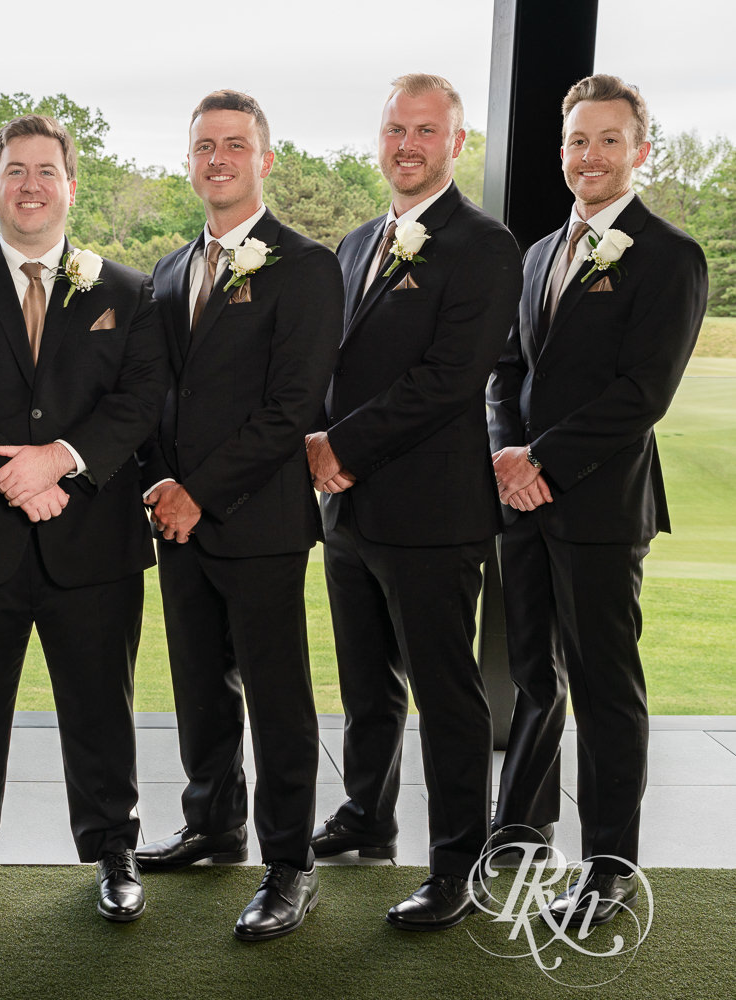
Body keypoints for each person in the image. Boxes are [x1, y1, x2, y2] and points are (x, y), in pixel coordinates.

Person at [0, 114, 166, 923]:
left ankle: (115, 852)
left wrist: (62, 459)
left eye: (46, 171)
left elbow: (139, 400)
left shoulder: (126, 290)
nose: (30, 185)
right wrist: (9, 475)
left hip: (93, 539)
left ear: (70, 186)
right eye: (15, 170)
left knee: (100, 709)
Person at [487, 74, 706, 925]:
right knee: (531, 674)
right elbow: (506, 369)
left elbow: (641, 393)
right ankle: (522, 828)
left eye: (609, 140)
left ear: (640, 151)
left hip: (600, 508)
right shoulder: (540, 252)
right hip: (523, 501)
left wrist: (540, 460)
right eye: (579, 140)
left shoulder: (670, 255)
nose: (591, 155)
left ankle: (610, 865)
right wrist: (509, 457)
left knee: (606, 687)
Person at [306, 73, 521, 929]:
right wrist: (318, 452)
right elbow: (331, 365)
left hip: (432, 514)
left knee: (447, 692)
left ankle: (456, 870)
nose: (407, 144)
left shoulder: (483, 244)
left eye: (426, 130)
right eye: (396, 128)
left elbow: (449, 381)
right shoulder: (358, 243)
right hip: (349, 513)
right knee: (367, 683)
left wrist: (340, 447)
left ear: (456, 143)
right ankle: (367, 812)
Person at [135, 90, 342, 940]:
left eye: (233, 145)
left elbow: (290, 408)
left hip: (256, 521)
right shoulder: (171, 267)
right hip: (178, 524)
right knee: (198, 685)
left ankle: (289, 863)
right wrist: (158, 486)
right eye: (203, 147)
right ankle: (212, 823)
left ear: (264, 158)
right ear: (190, 162)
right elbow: (151, 396)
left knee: (277, 695)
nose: (216, 159)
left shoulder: (304, 265)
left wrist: (200, 493)